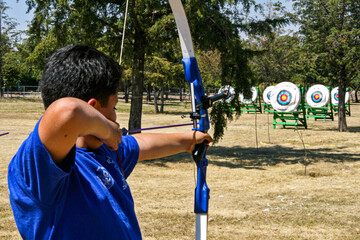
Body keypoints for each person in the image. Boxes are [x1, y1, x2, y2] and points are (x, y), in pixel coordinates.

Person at [8, 45, 212, 239]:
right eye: (114, 107)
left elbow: (142, 145)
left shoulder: (104, 152)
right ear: (94, 107)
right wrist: (107, 130)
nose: (115, 116)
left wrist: (190, 141)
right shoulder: (39, 169)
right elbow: (67, 111)